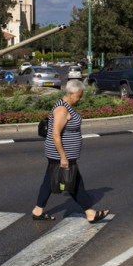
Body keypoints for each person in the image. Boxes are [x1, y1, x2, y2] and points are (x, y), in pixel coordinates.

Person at [32, 79, 109, 223]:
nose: (80, 99)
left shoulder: (67, 106)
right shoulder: (62, 109)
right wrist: (63, 157)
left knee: (50, 181)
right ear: (71, 93)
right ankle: (90, 212)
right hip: (61, 154)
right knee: (74, 183)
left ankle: (38, 210)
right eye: (79, 96)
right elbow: (55, 134)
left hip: (62, 154)